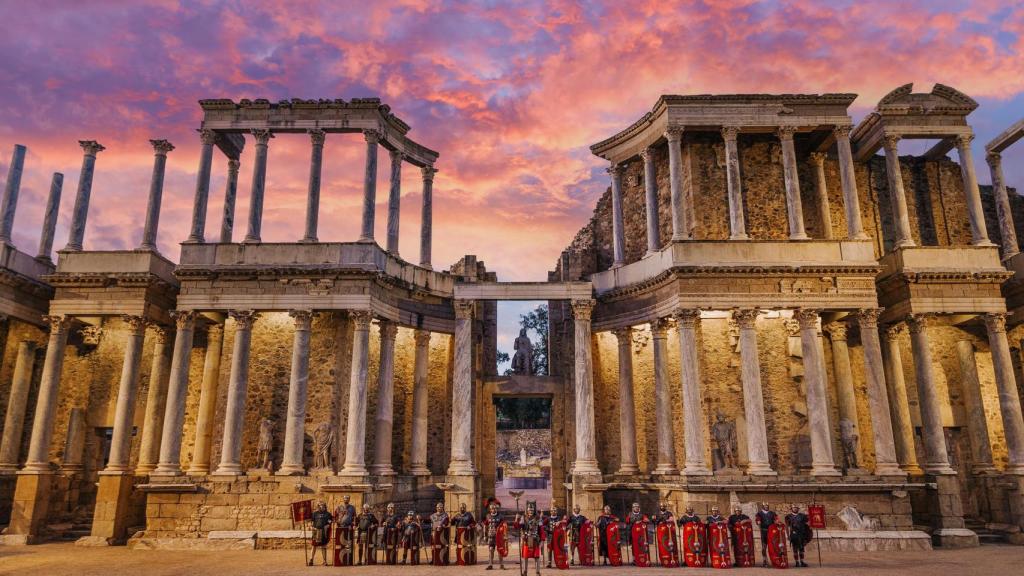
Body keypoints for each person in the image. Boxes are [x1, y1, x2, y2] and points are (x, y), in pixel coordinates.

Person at [515, 503, 544, 576]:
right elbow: (517, 527)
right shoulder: (523, 518)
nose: (530, 511)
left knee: (537, 557)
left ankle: (537, 572)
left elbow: (541, 530)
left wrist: (542, 540)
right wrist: (516, 519)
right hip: (526, 540)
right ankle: (525, 571)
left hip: (535, 540)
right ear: (527, 510)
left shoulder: (538, 518)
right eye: (529, 509)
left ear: (534, 510)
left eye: (532, 509)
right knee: (525, 557)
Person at [482, 501, 506, 570]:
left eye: (495, 508)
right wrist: (484, 535)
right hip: (490, 536)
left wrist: (504, 535)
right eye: (492, 508)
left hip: (498, 536)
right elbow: (485, 526)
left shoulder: (500, 516)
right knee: (491, 550)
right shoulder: (488, 516)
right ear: (490, 509)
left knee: (500, 550)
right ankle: (490, 564)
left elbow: (504, 526)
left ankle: (501, 564)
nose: (493, 509)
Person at [754, 502, 778, 568]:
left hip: (771, 532)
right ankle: (765, 560)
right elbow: (757, 520)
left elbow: (776, 519)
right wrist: (758, 522)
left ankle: (775, 560)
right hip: (764, 531)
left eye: (767, 506)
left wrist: (777, 521)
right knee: (764, 546)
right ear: (763, 506)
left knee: (773, 546)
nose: (766, 507)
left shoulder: (772, 513)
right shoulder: (759, 513)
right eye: (765, 506)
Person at [310, 501, 333, 566]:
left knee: (323, 546)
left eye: (323, 505)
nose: (321, 506)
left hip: (323, 532)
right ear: (318, 506)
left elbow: (330, 522)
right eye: (320, 505)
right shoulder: (314, 514)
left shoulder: (328, 514)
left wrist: (327, 525)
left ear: (325, 506)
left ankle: (324, 561)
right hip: (316, 532)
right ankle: (311, 560)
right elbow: (312, 522)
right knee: (313, 546)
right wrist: (312, 527)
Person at [544, 504, 562, 568]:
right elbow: (543, 525)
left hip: (557, 537)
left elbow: (565, 524)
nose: (553, 512)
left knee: (557, 549)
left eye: (555, 511)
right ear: (550, 512)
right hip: (550, 536)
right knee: (549, 549)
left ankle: (558, 562)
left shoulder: (559, 518)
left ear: (556, 512)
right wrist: (547, 529)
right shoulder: (548, 519)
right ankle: (549, 562)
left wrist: (560, 522)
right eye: (552, 511)